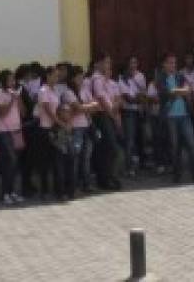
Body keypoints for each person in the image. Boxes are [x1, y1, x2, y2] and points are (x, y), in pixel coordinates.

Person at [160, 53, 194, 183]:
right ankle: (177, 174)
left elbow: (187, 90)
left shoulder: (180, 76)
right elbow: (167, 94)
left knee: (192, 145)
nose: (173, 65)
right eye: (170, 62)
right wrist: (179, 91)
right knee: (175, 147)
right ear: (165, 64)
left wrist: (176, 91)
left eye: (174, 62)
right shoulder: (161, 78)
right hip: (170, 116)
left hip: (184, 115)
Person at [61, 64, 97, 196]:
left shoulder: (85, 90)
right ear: (72, 78)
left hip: (87, 126)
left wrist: (87, 107)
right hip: (75, 128)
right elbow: (78, 108)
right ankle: (73, 186)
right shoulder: (68, 92)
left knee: (86, 157)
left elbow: (95, 106)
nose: (81, 79)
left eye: (82, 76)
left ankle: (86, 183)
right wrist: (88, 106)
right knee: (74, 158)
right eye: (78, 77)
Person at [89, 53, 122, 191]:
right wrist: (113, 116)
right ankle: (105, 178)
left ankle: (108, 178)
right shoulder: (96, 79)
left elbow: (115, 97)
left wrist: (115, 114)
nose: (109, 65)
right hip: (102, 115)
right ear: (99, 64)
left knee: (108, 149)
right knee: (110, 148)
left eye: (109, 62)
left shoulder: (105, 79)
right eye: (106, 62)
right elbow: (102, 98)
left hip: (109, 114)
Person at [0, 69, 25, 205]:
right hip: (4, 132)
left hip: (16, 130)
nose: (13, 82)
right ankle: (5, 193)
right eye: (11, 79)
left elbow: (23, 112)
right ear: (4, 80)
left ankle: (12, 192)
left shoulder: (13, 93)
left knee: (15, 162)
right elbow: (1, 113)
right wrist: (12, 100)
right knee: (9, 161)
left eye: (14, 79)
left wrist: (18, 99)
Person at [34, 64, 64, 200]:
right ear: (48, 76)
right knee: (44, 162)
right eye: (55, 75)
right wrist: (58, 121)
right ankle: (44, 190)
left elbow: (57, 108)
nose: (57, 77)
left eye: (58, 75)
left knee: (57, 160)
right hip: (45, 129)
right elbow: (48, 110)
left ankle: (59, 191)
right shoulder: (43, 90)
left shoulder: (54, 90)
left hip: (55, 129)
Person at [118, 58, 146, 177]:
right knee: (129, 140)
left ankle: (140, 164)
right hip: (128, 112)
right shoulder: (122, 79)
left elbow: (143, 93)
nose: (133, 66)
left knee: (141, 138)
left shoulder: (140, 76)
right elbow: (127, 98)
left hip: (139, 111)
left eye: (135, 63)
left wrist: (140, 100)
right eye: (130, 63)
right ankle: (129, 167)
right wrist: (137, 99)